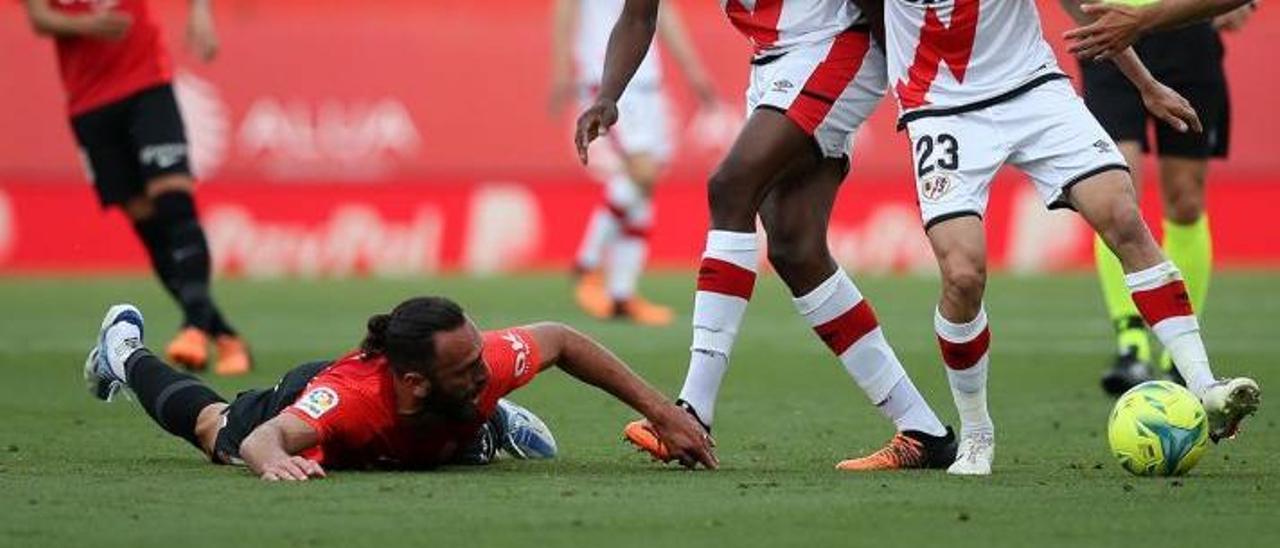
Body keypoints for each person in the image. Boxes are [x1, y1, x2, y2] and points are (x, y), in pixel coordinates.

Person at [868, 0, 1260, 475]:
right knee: (963, 276)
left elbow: (1087, 11)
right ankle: (976, 435)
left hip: (1033, 92)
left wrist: (1146, 85)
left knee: (1122, 215)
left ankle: (1205, 387)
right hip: (941, 112)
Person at [576, 0, 958, 471]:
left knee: (730, 186)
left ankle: (692, 411)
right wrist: (607, 95)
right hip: (775, 61)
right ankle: (924, 431)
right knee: (796, 249)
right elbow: (638, 15)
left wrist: (914, 79)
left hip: (837, 46)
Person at [82, 297, 716, 480]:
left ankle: (485, 424)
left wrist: (664, 412)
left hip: (430, 422)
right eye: (469, 371)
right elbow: (268, 439)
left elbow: (560, 337)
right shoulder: (344, 403)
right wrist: (273, 459)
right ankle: (123, 352)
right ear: (412, 381)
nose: (485, 368)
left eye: (481, 366)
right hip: (313, 404)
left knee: (466, 417)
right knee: (215, 429)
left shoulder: (478, 360)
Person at [21, 0, 249, 375]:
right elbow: (40, 18)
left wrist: (200, 12)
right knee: (150, 226)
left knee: (175, 203)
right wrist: (89, 24)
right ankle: (224, 336)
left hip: (147, 84)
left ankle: (193, 327)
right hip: (89, 105)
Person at [1058, 0, 1260, 395]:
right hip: (1109, 30)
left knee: (1185, 201)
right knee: (1116, 194)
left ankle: (1178, 356)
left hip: (1185, 34)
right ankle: (1129, 343)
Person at [550, 0, 719, 326]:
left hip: (648, 80)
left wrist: (693, 69)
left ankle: (621, 294)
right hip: (606, 81)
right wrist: (561, 69)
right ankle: (589, 265)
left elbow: (661, 12)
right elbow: (565, 9)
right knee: (642, 173)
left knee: (643, 182)